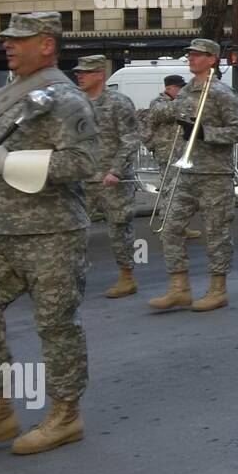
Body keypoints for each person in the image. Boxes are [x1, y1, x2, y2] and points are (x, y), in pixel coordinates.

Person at [0, 13, 97, 460]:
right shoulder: (5, 94)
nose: (8, 45)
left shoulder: (65, 98)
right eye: (7, 39)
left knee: (56, 325)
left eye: (19, 39)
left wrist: (10, 161)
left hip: (50, 232)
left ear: (47, 44)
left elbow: (82, 164)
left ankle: (66, 416)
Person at [146, 39, 238, 312]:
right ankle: (179, 287)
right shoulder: (185, 93)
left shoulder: (223, 93)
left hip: (214, 173)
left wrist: (206, 134)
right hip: (185, 172)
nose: (191, 58)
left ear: (212, 59)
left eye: (197, 54)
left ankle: (218, 289)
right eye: (190, 54)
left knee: (216, 232)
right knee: (169, 227)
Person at [74, 55, 142, 298]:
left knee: (119, 229)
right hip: (83, 178)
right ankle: (69, 279)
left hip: (113, 180)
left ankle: (127, 277)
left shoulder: (118, 102)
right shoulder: (76, 103)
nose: (80, 75)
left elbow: (130, 139)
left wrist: (116, 170)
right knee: (73, 230)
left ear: (100, 75)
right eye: (79, 72)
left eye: (86, 72)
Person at [143, 74, 202, 242]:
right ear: (170, 88)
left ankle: (179, 225)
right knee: (170, 190)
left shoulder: (178, 102)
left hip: (181, 152)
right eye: (180, 88)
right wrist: (187, 100)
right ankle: (168, 228)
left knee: (182, 192)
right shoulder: (159, 102)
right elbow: (164, 113)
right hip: (167, 153)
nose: (183, 91)